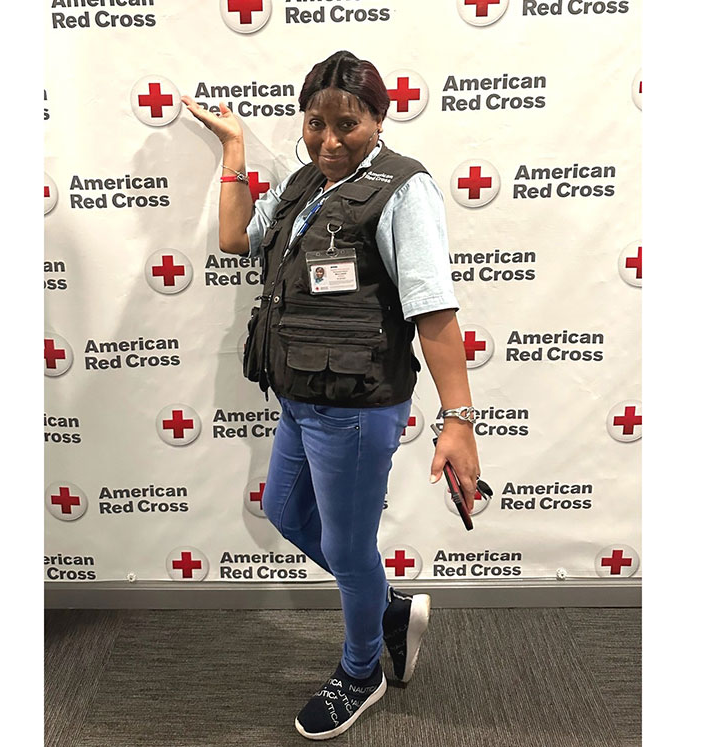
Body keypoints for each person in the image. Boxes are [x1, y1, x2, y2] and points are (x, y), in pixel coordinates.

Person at [182, 50, 482, 741]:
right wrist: (233, 148)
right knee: (285, 511)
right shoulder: (303, 184)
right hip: (300, 397)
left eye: (347, 124)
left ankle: (361, 669)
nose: (329, 139)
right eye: (316, 123)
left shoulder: (404, 189)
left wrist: (458, 419)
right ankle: (391, 610)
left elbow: (433, 311)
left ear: (379, 118)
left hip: (357, 407)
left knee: (348, 550)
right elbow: (235, 238)